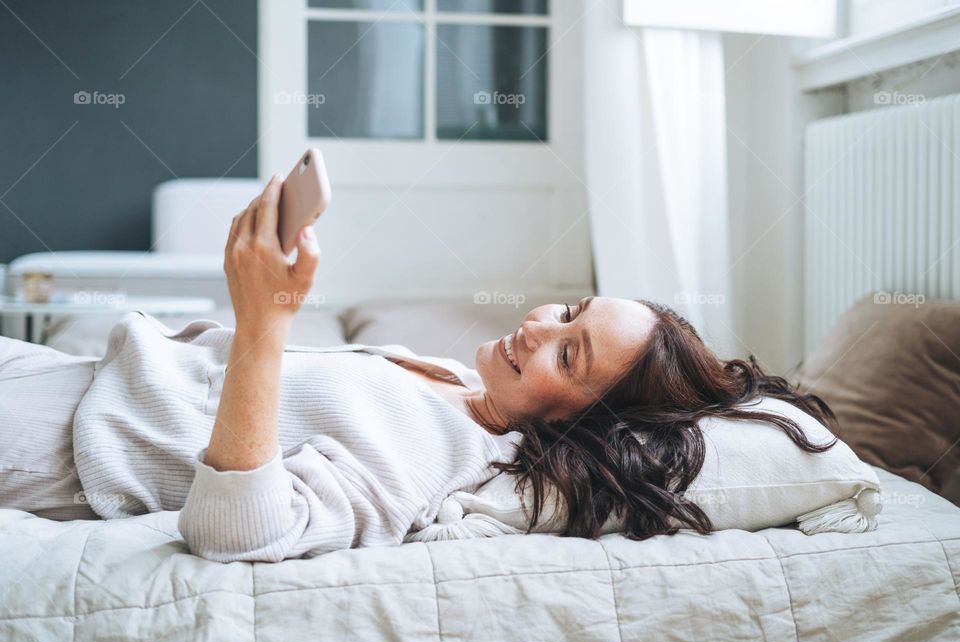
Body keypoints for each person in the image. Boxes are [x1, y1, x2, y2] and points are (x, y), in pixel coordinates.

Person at [0, 176, 837, 562]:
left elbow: (239, 532)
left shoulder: (438, 458)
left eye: (568, 352)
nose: (537, 326)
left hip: (57, 442)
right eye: (570, 312)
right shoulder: (457, 386)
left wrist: (264, 322)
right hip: (62, 373)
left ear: (579, 421)